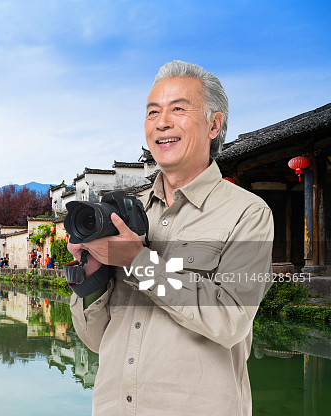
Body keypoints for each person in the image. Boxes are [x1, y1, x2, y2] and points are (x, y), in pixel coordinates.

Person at [66, 60, 273, 415]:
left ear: (214, 124)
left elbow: (230, 320)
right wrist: (92, 274)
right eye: (152, 112)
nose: (162, 122)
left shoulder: (248, 214)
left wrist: (137, 261)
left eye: (178, 109)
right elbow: (97, 340)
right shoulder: (124, 215)